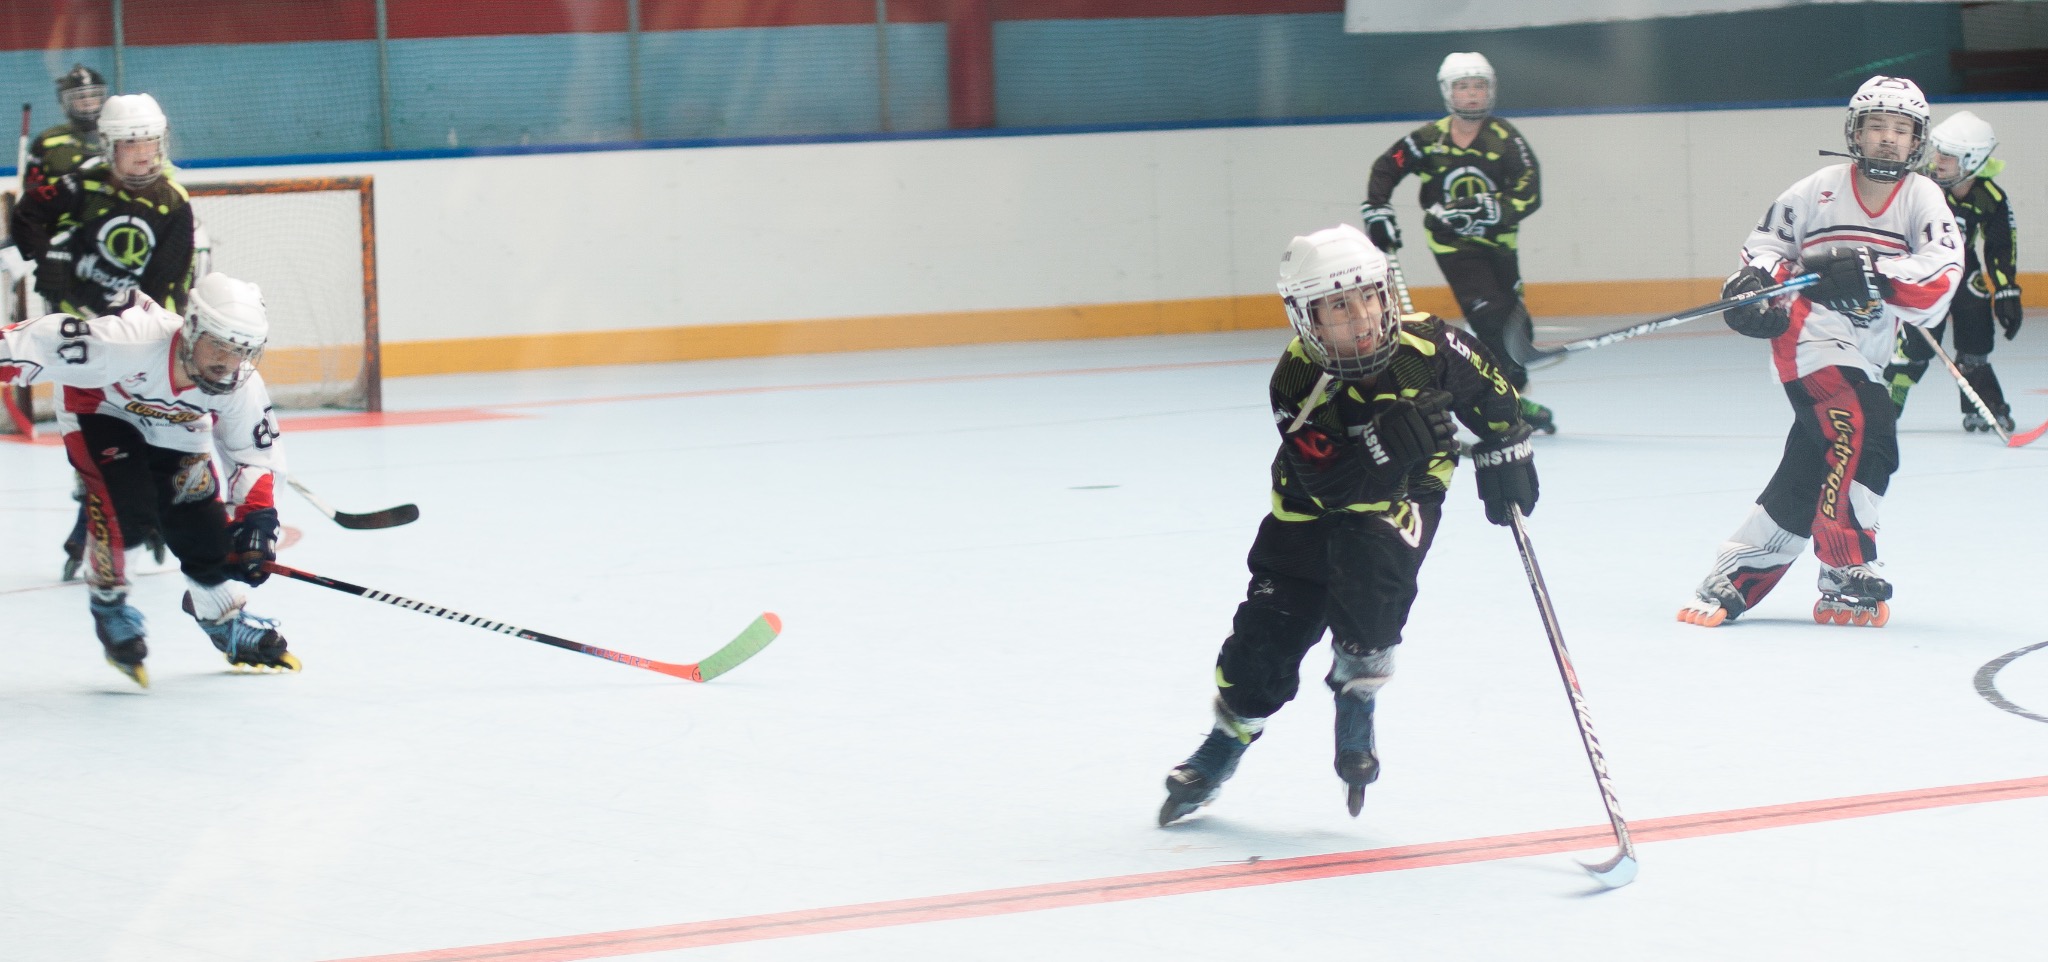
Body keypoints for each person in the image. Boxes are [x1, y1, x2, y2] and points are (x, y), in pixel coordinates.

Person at [1158, 224, 1538, 826]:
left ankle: (1356, 696)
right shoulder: (1296, 381)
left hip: (1401, 503)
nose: (1361, 316)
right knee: (1268, 637)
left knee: (1373, 590)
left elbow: (1495, 391)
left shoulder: (1431, 346)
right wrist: (1385, 446)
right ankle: (1224, 744)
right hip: (1305, 510)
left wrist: (1506, 448)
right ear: (1307, 317)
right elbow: (1330, 483)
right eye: (1338, 304)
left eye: (1368, 295)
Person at [1678, 76, 1962, 631]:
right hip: (1807, 334)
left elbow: (1942, 272)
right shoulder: (1819, 189)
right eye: (1876, 126)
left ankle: (1736, 575)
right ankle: (1846, 563)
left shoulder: (1923, 199)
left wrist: (1874, 274)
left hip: (1866, 351)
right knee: (1867, 426)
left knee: (1813, 466)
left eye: (1900, 130)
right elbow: (1767, 249)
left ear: (1916, 141)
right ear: (1855, 132)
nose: (1887, 138)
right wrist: (1751, 286)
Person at [0, 273, 298, 687]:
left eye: (242, 351)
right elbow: (29, 342)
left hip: (175, 427)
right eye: (220, 345)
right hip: (99, 409)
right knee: (127, 509)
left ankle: (221, 616)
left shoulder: (238, 384)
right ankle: (109, 602)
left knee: (206, 534)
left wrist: (257, 523)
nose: (228, 362)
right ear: (192, 328)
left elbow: (254, 456)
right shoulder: (129, 342)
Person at [10, 92, 195, 579]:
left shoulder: (173, 202)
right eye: (132, 142)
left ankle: (131, 517)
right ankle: (96, 523)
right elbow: (26, 215)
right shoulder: (80, 183)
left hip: (134, 336)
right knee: (93, 428)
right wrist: (45, 257)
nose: (143, 151)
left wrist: (154, 333)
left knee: (142, 425)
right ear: (110, 145)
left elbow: (169, 281)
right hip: (75, 333)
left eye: (151, 140)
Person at [1360, 52, 1554, 434]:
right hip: (1454, 248)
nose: (1472, 95)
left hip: (1499, 245)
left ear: (1490, 90)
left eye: (1479, 86)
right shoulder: (1429, 140)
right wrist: (1376, 207)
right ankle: (1502, 405)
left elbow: (1530, 191)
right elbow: (1387, 166)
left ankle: (1507, 389)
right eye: (1463, 87)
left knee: (1517, 328)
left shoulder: (1505, 139)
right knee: (1492, 317)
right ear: (1448, 92)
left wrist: (1494, 209)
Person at [1881, 110, 2021, 434]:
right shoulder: (1917, 185)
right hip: (1922, 268)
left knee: (1976, 330)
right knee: (1916, 342)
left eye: (1948, 155)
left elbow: (2000, 246)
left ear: (1971, 161)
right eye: (1937, 150)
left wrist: (2006, 291)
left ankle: (1983, 403)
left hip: (1962, 267)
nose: (1937, 159)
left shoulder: (1990, 198)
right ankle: (1893, 393)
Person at [23, 64, 108, 191]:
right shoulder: (47, 141)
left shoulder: (118, 134)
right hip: (61, 209)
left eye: (93, 95)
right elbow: (33, 187)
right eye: (80, 97)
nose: (88, 101)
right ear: (66, 102)